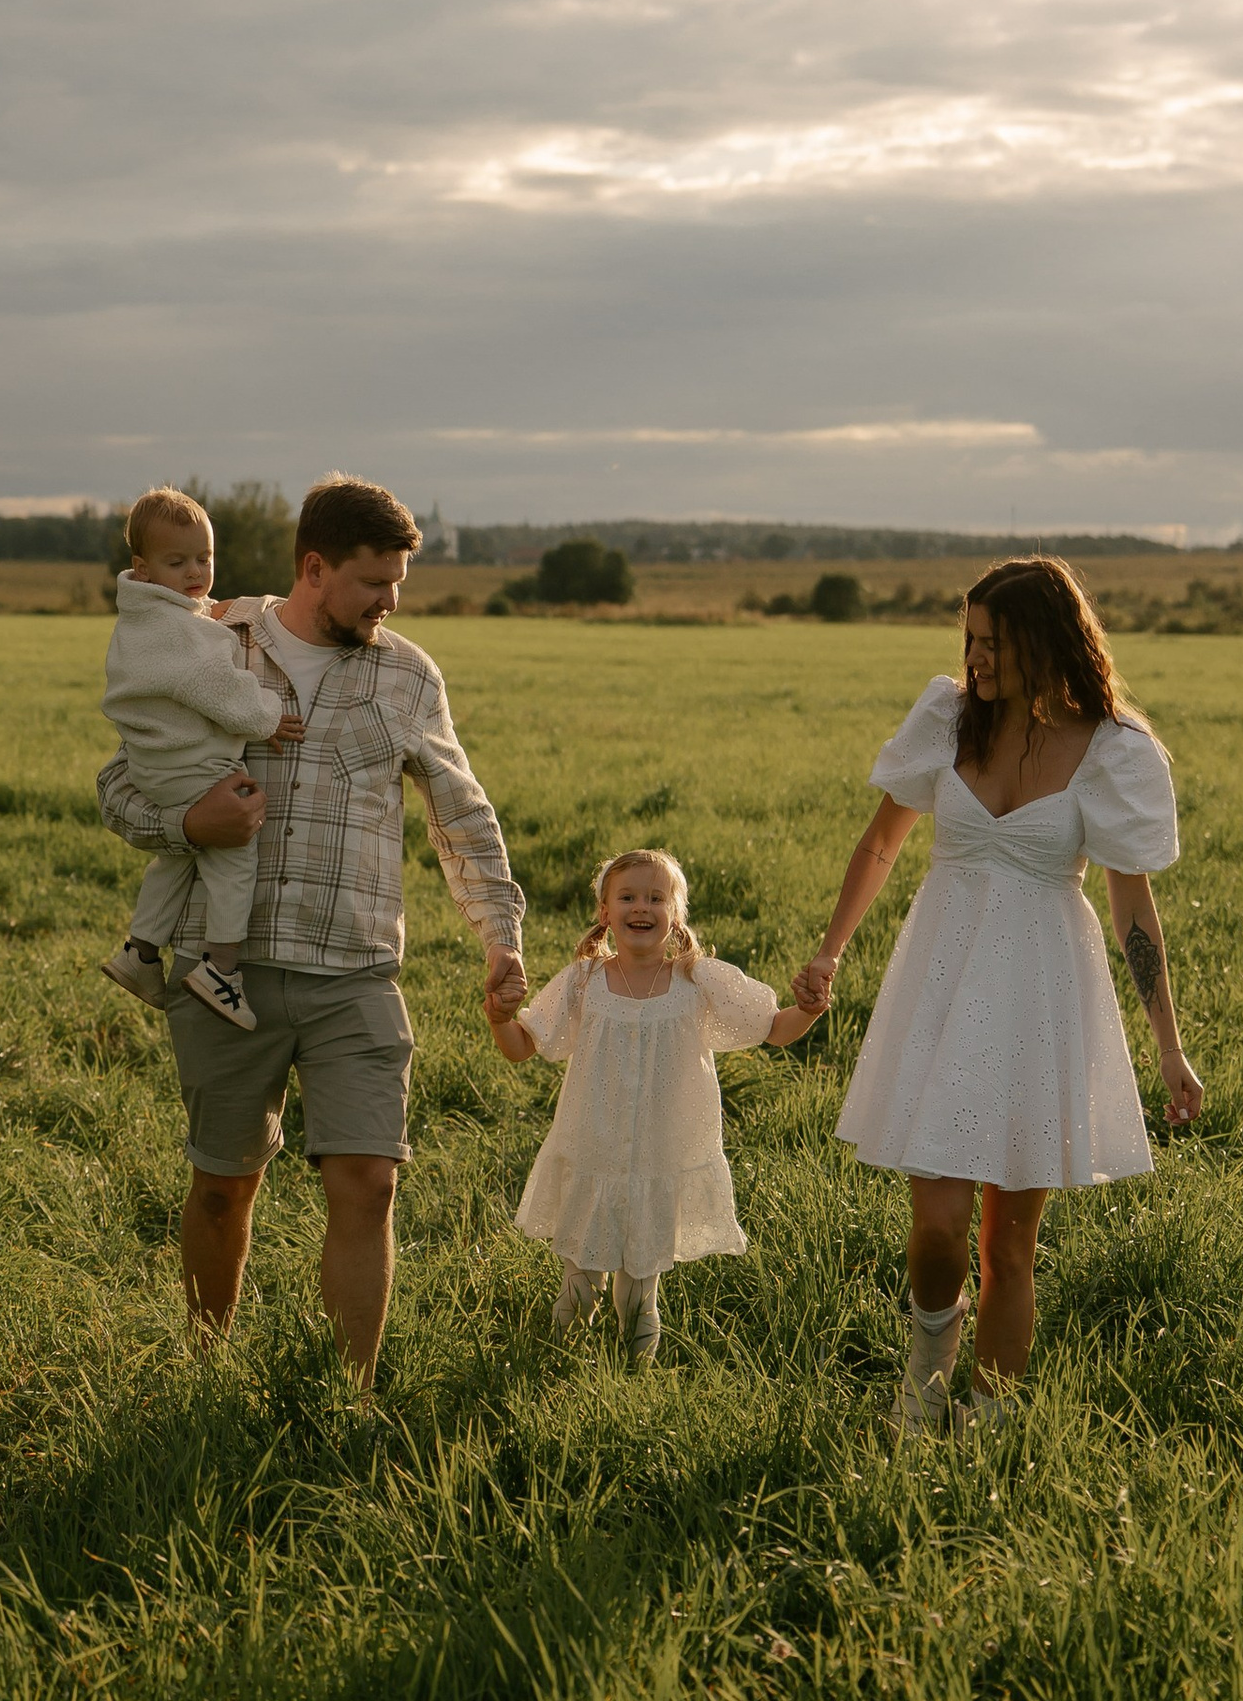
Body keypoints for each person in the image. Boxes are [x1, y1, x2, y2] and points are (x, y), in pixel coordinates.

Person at [96, 473, 527, 1391]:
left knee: (371, 1183)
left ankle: (349, 1396)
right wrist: (185, 828)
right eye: (372, 582)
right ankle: (208, 1369)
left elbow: (461, 812)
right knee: (223, 1185)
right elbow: (121, 782)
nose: (389, 601)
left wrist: (501, 936)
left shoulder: (407, 673)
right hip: (231, 973)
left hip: (358, 973)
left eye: (398, 583)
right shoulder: (211, 640)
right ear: (314, 567)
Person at [789, 555, 1204, 1439]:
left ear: (1046, 644)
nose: (973, 659)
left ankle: (987, 1426)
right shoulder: (946, 719)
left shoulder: (1114, 751)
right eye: (968, 639)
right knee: (938, 1226)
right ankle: (927, 1369)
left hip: (1041, 996)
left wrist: (1169, 1045)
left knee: (1008, 1245)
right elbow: (880, 845)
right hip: (942, 978)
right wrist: (829, 953)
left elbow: (1133, 903)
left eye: (992, 644)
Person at [484, 845, 824, 1363]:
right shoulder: (583, 983)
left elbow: (774, 1030)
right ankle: (556, 1370)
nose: (641, 907)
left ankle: (634, 1377)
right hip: (593, 1149)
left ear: (675, 913)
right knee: (579, 1284)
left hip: (659, 1159)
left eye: (655, 898)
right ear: (605, 912)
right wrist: (498, 1017)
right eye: (627, 897)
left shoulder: (697, 981)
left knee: (640, 1295)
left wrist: (809, 1009)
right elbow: (522, 1047)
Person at [98, 487, 286, 1031]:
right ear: (144, 568)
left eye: (203, 558)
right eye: (176, 562)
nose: (194, 572)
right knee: (233, 855)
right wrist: (268, 717)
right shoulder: (181, 629)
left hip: (154, 765)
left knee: (179, 856)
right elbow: (217, 688)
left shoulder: (141, 618)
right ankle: (220, 968)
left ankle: (141, 951)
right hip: (193, 764)